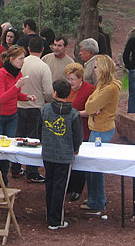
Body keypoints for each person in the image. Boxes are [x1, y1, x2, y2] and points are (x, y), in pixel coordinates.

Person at [39, 79, 83, 230]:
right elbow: (78, 135)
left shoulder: (45, 109)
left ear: (55, 92)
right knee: (59, 186)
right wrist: (75, 148)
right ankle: (55, 219)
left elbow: (40, 130)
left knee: (49, 184)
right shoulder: (73, 113)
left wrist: (44, 142)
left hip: (48, 153)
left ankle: (50, 216)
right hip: (64, 155)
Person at [79, 55, 121, 213]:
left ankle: (98, 201)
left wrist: (91, 105)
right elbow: (90, 103)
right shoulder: (103, 85)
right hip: (97, 128)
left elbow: (89, 106)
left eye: (96, 67)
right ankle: (94, 198)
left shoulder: (109, 88)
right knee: (91, 166)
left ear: (103, 69)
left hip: (101, 131)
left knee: (95, 166)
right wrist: (91, 104)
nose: (94, 70)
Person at [10, 37, 53, 183]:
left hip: (19, 104)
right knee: (33, 139)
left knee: (18, 136)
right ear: (42, 50)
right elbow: (48, 91)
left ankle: (15, 168)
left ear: (28, 49)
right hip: (35, 106)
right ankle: (32, 171)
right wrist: (47, 101)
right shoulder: (43, 67)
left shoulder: (20, 63)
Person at [0, 46, 36, 184]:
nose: (23, 62)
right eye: (21, 59)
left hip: (12, 115)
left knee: (8, 149)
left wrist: (26, 97)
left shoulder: (18, 74)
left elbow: (15, 95)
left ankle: (3, 181)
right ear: (11, 59)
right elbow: (0, 99)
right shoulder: (1, 74)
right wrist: (17, 87)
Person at [63, 62, 95, 201]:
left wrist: (76, 113)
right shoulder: (66, 89)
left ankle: (78, 187)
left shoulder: (90, 90)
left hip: (82, 128)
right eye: (68, 79)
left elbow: (93, 110)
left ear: (81, 78)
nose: (70, 82)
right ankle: (69, 184)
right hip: (67, 129)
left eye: (73, 79)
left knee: (79, 158)